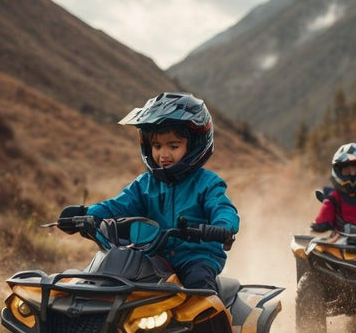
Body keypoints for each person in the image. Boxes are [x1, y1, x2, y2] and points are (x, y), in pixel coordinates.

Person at [58, 92, 239, 293]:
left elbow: (222, 207)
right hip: (154, 256)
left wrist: (223, 226)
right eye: (157, 146)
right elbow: (118, 205)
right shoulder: (144, 184)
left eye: (173, 146)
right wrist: (85, 213)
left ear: (194, 145)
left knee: (199, 287)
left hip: (196, 257)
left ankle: (213, 324)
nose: (163, 154)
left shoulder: (208, 183)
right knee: (115, 278)